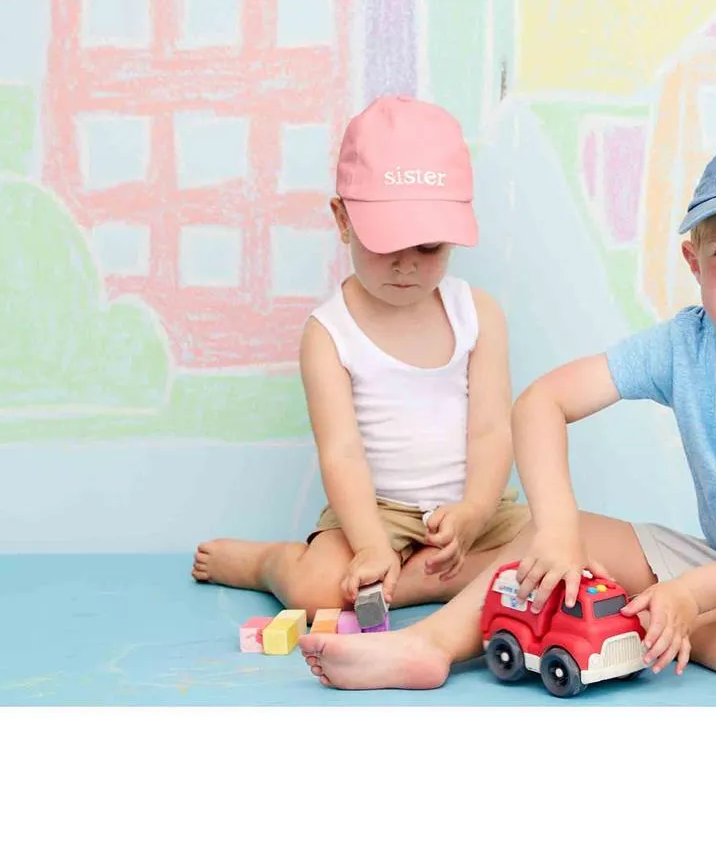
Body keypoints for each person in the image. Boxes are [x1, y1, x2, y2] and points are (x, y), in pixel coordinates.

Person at [297, 134, 716, 697]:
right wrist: (561, 529)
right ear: (695, 262)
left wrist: (689, 597)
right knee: (545, 536)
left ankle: (670, 626)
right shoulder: (683, 345)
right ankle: (427, 646)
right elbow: (543, 402)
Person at [191, 94, 529, 618]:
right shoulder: (330, 333)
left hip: (471, 510)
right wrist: (370, 544)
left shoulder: (478, 315)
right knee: (316, 593)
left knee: (561, 550)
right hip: (375, 512)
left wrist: (473, 511)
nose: (406, 266)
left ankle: (409, 585)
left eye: (429, 248)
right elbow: (342, 453)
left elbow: (490, 430)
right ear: (343, 220)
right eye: (385, 243)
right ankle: (271, 563)